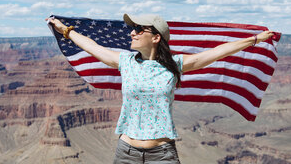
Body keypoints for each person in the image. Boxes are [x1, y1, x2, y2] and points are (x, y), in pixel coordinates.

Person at [46, 14, 274, 164]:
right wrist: (65, 29)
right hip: (126, 152)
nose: (132, 33)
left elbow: (216, 52)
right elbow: (91, 46)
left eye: (139, 30)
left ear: (156, 37)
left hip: (162, 154)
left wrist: (254, 39)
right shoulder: (125, 61)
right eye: (132, 29)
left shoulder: (175, 65)